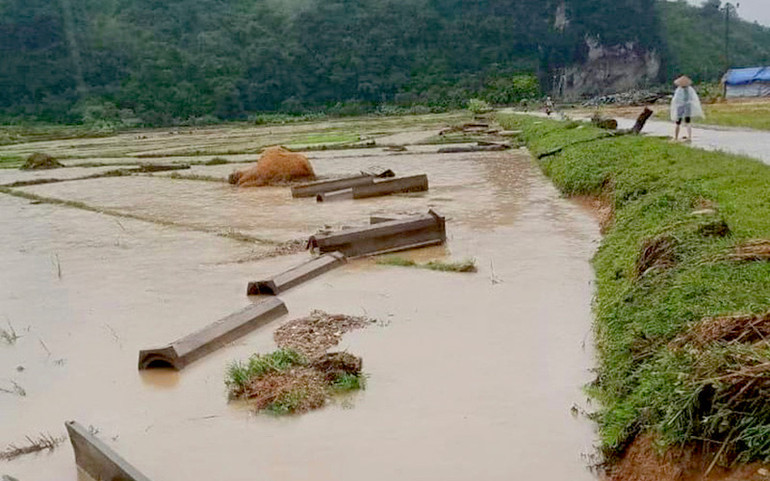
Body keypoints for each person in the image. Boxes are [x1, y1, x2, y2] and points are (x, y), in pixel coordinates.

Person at [670, 75, 704, 142]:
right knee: (688, 121)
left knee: (678, 122)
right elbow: (693, 98)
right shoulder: (690, 89)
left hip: (680, 107)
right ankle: (689, 137)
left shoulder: (679, 90)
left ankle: (676, 137)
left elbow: (675, 100)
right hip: (688, 106)